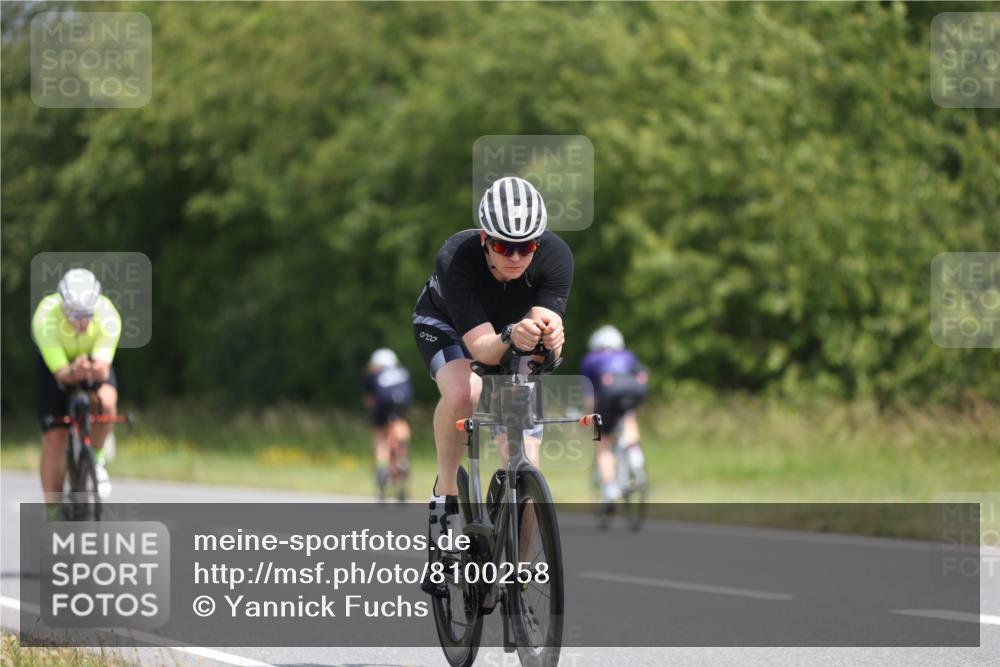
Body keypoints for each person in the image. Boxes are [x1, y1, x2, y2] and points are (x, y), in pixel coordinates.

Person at [412, 176, 573, 595]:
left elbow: (544, 336)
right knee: (465, 393)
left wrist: (552, 338)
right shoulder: (457, 258)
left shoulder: (556, 255)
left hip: (511, 332)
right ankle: (446, 494)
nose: (516, 257)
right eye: (504, 247)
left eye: (527, 246)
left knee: (525, 456)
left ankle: (518, 572)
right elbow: (483, 349)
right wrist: (512, 336)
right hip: (448, 326)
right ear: (485, 240)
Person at [31, 268, 122, 514]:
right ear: (62, 305)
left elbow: (102, 370)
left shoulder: (108, 315)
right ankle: (52, 513)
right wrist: (74, 370)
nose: (81, 322)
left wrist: (88, 369)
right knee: (55, 439)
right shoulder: (45, 317)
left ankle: (97, 460)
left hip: (92, 361)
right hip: (57, 366)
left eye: (86, 315)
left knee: (106, 403)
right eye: (73, 314)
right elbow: (61, 374)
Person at [580, 325, 649, 513]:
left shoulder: (590, 359)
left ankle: (610, 488)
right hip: (635, 389)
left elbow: (590, 397)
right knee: (628, 415)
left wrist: (590, 415)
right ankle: (634, 452)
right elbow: (643, 374)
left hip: (609, 391)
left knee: (603, 440)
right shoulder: (628, 355)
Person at [363, 348, 413, 502]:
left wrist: (378, 419)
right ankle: (402, 457)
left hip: (383, 401)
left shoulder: (373, 374)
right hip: (403, 400)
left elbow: (370, 401)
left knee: (381, 436)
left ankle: (381, 465)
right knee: (400, 423)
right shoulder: (402, 372)